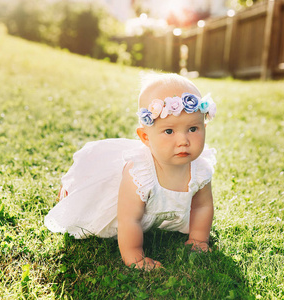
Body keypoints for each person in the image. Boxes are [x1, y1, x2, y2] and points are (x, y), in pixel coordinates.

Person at [45, 73, 217, 270]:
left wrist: (198, 239)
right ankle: (70, 191)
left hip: (159, 210)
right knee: (88, 205)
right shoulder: (139, 173)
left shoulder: (200, 168)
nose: (183, 141)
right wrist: (135, 255)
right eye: (169, 131)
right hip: (122, 206)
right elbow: (129, 219)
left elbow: (202, 207)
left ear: (204, 126)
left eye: (193, 129)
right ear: (145, 137)